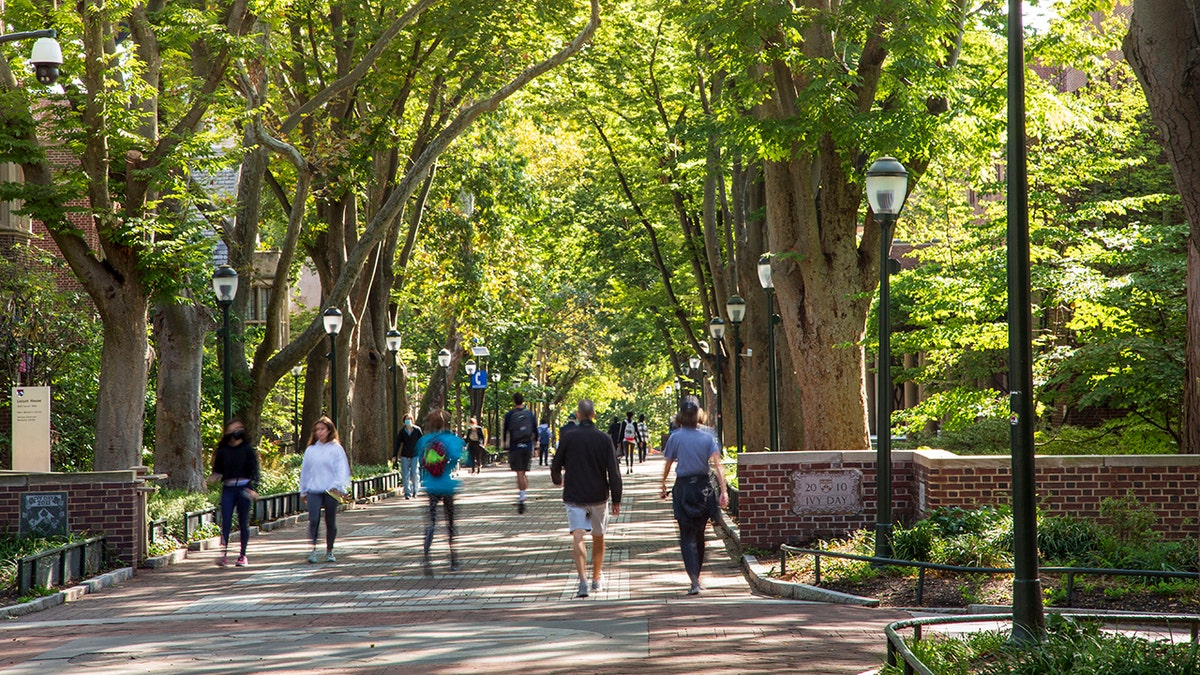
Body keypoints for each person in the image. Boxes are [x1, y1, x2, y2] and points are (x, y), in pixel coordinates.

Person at [550, 398, 622, 598]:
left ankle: (582, 581)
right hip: (598, 495)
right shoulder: (604, 438)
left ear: (579, 415)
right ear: (594, 415)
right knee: (598, 536)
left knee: (578, 535)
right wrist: (617, 498)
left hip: (574, 494)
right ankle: (596, 579)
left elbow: (556, 465)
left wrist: (557, 480)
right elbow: (614, 472)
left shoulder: (568, 437)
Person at [659, 397, 728, 595]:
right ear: (699, 413)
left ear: (681, 415)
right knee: (699, 533)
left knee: (686, 535)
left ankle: (694, 580)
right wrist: (723, 491)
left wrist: (663, 484)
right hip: (703, 488)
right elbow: (717, 464)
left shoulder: (675, 437)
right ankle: (696, 576)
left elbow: (668, 463)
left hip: (684, 489)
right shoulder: (708, 436)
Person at [417, 409, 464, 574]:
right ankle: (453, 560)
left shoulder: (424, 441)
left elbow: (421, 462)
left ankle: (426, 557)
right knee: (450, 524)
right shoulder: (453, 440)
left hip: (431, 487)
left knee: (431, 522)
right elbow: (464, 459)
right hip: (448, 487)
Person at [299, 416, 351, 563]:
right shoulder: (311, 450)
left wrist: (338, 485)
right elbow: (305, 471)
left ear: (329, 430)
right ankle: (313, 550)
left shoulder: (336, 449)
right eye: (317, 430)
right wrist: (303, 490)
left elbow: (342, 469)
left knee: (330, 520)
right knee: (314, 519)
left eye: (322, 429)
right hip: (314, 489)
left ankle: (329, 551)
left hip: (331, 490)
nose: (319, 432)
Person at [209, 420, 260, 567]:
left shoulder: (247, 449)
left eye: (239, 428)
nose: (236, 431)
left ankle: (242, 555)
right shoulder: (223, 450)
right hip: (228, 488)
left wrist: (253, 488)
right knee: (226, 520)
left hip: (244, 488)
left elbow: (255, 471)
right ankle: (224, 554)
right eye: (233, 429)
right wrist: (214, 477)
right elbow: (217, 469)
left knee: (243, 522)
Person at [503, 393, 538, 513]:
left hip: (515, 445)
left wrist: (504, 442)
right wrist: (536, 443)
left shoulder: (510, 415)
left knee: (519, 473)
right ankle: (524, 493)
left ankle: (522, 495)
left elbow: (505, 430)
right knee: (524, 473)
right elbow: (535, 429)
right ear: (523, 401)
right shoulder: (530, 414)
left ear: (514, 401)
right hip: (527, 445)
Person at [393, 414, 422, 499]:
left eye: (409, 418)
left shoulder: (417, 430)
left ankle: (415, 491)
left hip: (415, 455)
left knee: (415, 473)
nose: (408, 420)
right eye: (406, 419)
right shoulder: (402, 431)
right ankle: (407, 493)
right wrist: (395, 455)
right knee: (405, 474)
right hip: (405, 455)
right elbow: (397, 444)